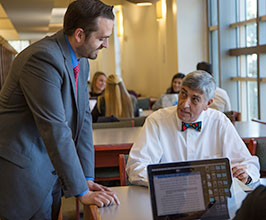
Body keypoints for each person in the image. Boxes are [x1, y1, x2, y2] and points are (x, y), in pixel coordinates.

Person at [0, 1, 119, 220]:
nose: (106, 46)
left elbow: (83, 119)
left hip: (51, 169)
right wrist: (81, 191)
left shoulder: (81, 62)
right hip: (24, 173)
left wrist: (86, 177)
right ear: (80, 35)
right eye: (102, 38)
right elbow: (54, 127)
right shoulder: (42, 58)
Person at [126, 70, 260, 187]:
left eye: (195, 99)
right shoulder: (157, 121)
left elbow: (248, 163)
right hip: (168, 197)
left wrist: (246, 176)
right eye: (183, 94)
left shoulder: (219, 122)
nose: (184, 104)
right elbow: (136, 166)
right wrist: (170, 182)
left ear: (208, 104)